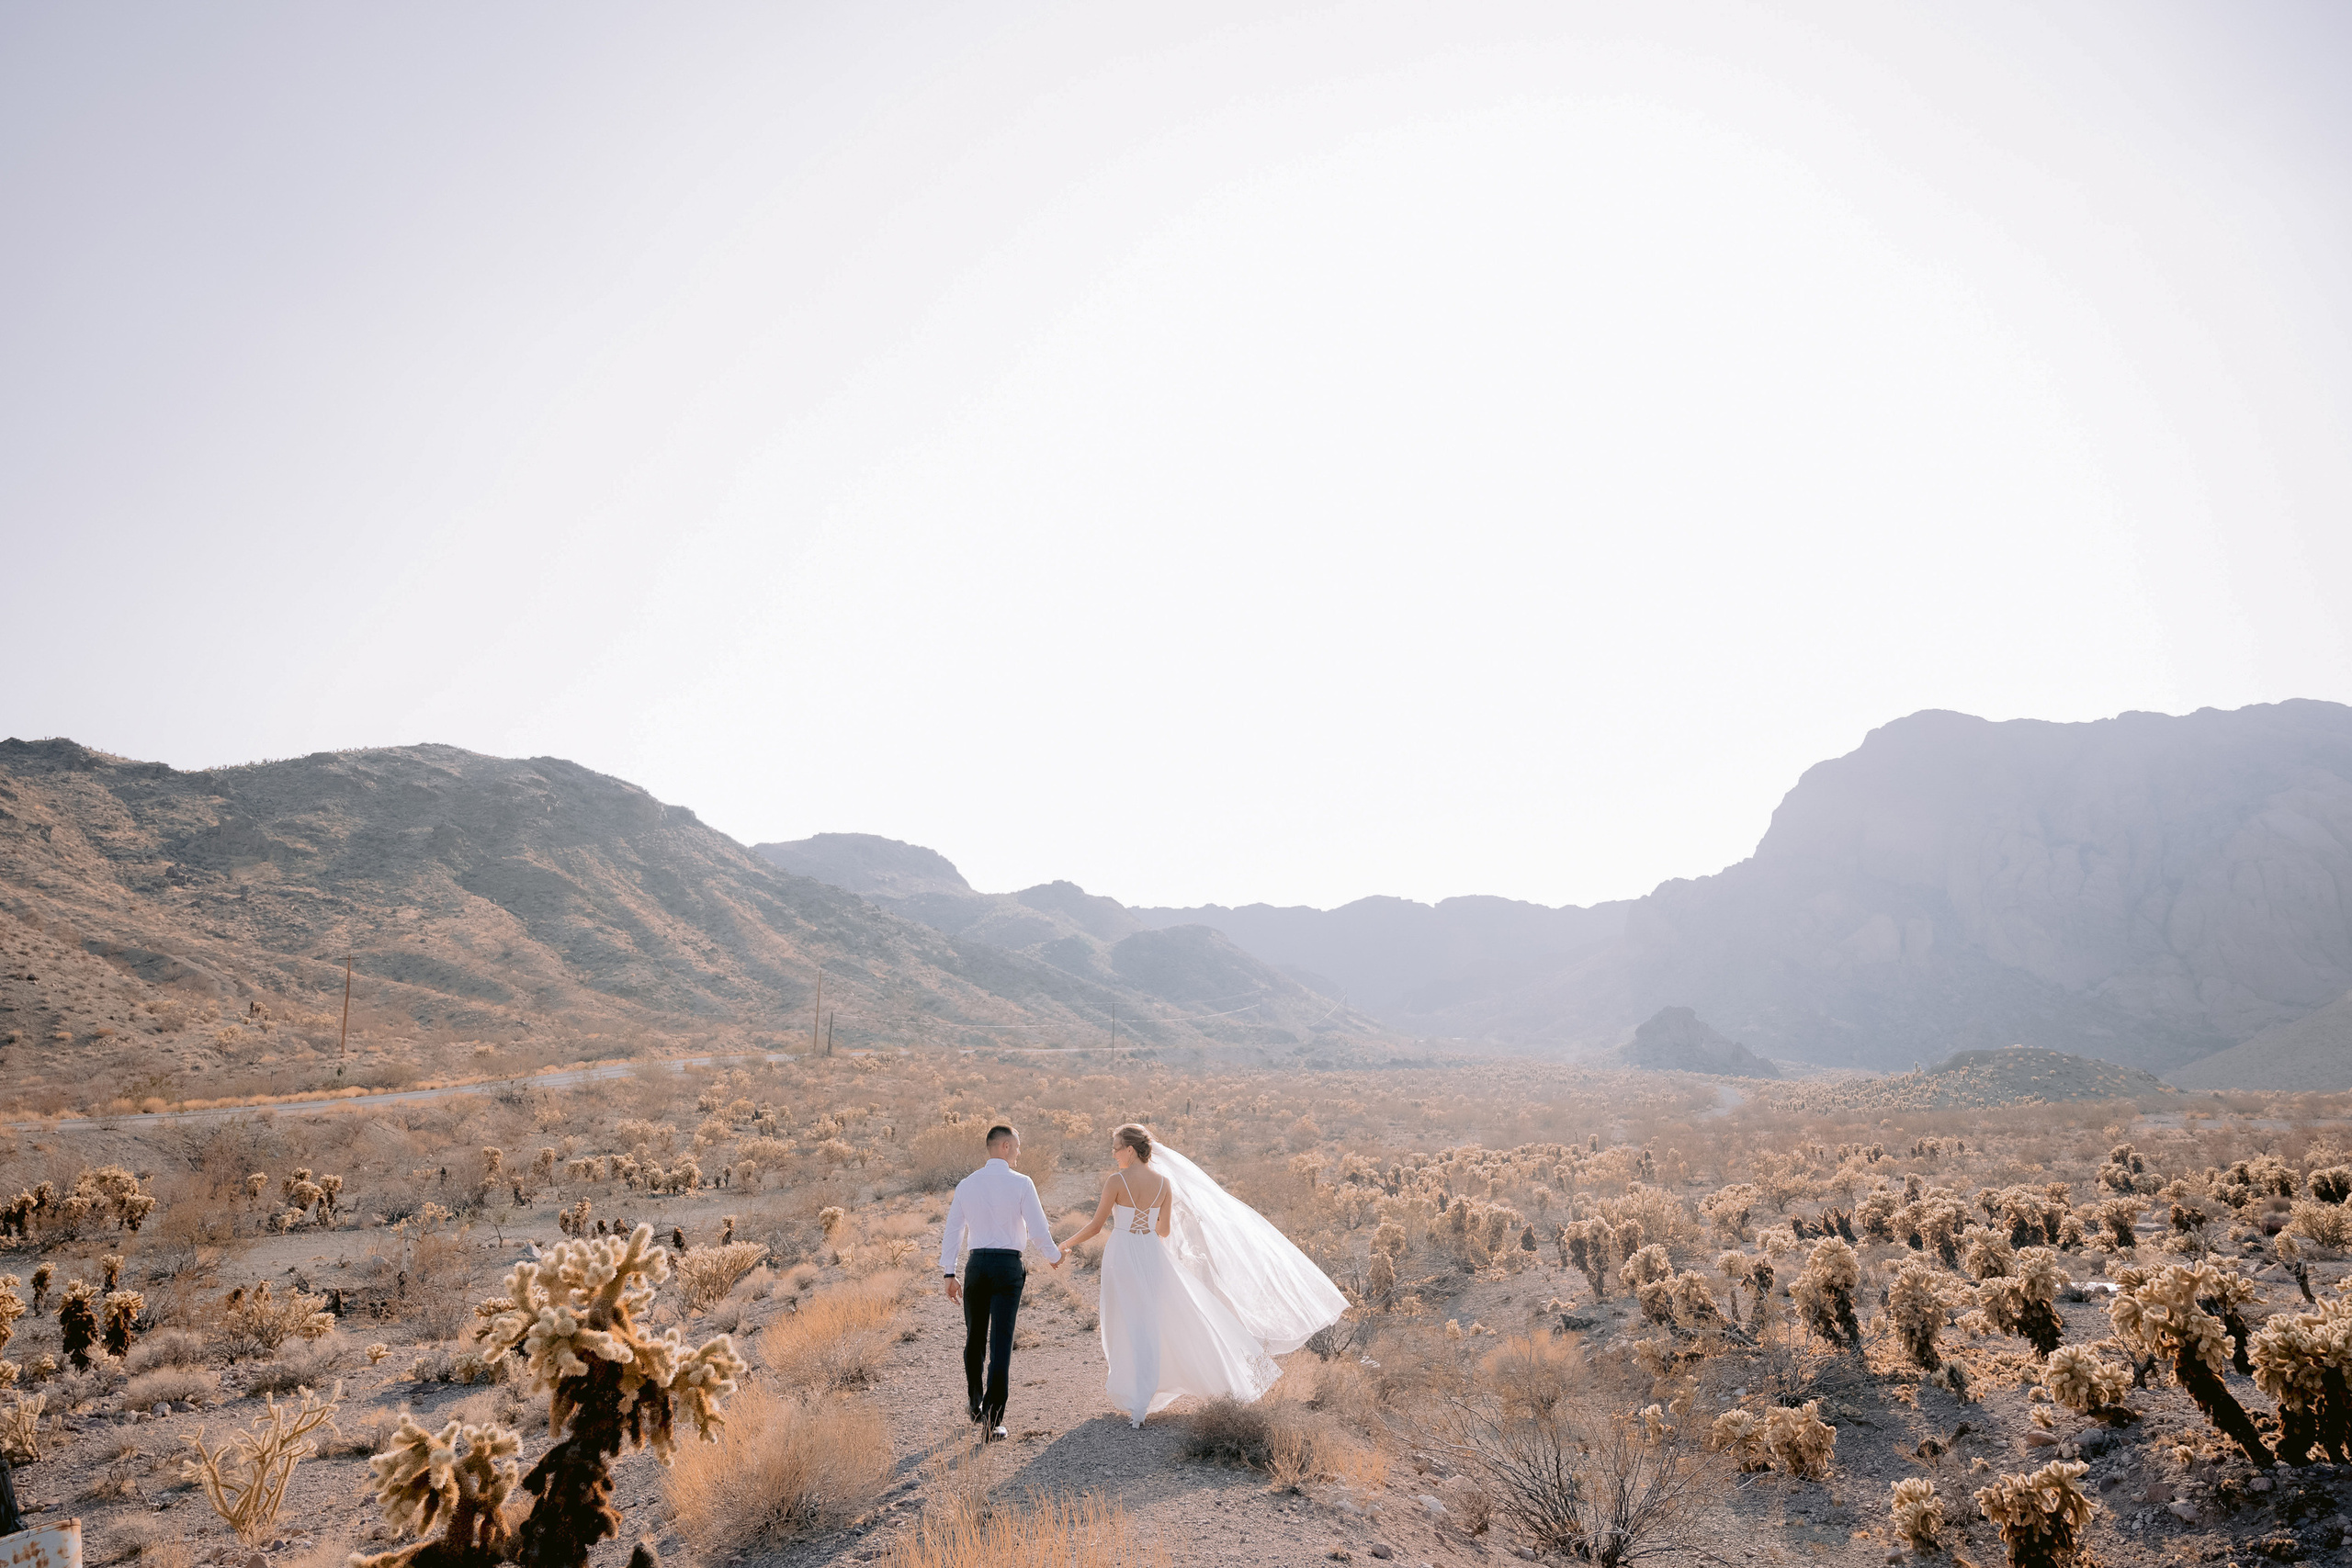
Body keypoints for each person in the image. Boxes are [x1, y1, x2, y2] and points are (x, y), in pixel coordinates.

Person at [1056, 1122, 1347, 1427]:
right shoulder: (1164, 1184)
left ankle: (1139, 1398)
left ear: (1130, 1150)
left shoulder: (1116, 1181)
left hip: (1123, 1255)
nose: (1113, 1154)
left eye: (1116, 1148)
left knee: (1127, 1322)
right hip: (1151, 1254)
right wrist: (1149, 1221)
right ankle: (1150, 1394)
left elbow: (1095, 1225)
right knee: (1153, 1322)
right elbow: (1164, 1231)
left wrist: (1065, 1244)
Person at [939, 1122, 1060, 1439]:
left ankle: (975, 1403)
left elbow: (954, 1230)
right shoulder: (1021, 1183)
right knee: (1001, 1343)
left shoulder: (967, 1184)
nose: (1019, 1153)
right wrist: (1054, 1256)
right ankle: (992, 1423)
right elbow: (1037, 1229)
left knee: (975, 1338)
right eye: (1017, 1147)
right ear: (1004, 1146)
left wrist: (949, 1273)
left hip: (977, 1266)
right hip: (1007, 1268)